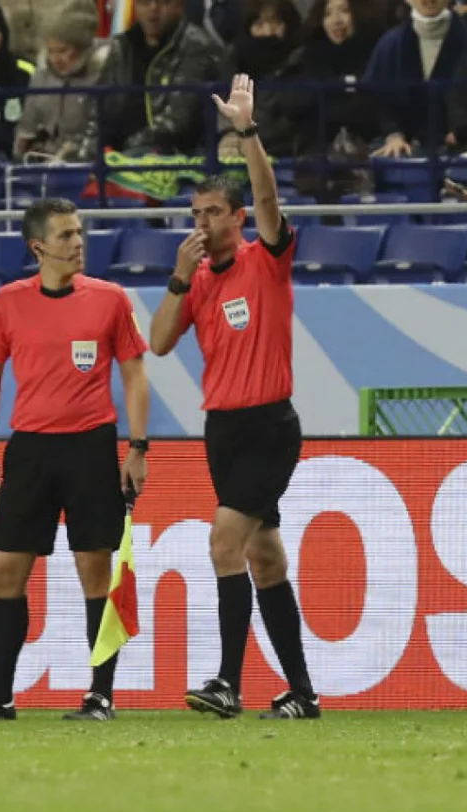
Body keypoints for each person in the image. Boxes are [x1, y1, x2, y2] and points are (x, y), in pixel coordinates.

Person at [0, 199, 151, 722]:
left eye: (80, 233)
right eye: (66, 236)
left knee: (94, 570)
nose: (78, 243)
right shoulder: (7, 304)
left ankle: (100, 696)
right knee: (6, 569)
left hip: (91, 447)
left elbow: (135, 375)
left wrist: (138, 447)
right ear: (38, 247)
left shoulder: (110, 299)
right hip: (28, 448)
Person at [148, 74, 319, 721]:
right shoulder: (196, 282)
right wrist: (176, 276)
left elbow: (271, 194)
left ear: (238, 219)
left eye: (213, 213)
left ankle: (226, 681)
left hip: (270, 426)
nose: (203, 224)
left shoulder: (264, 259)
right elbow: (160, 344)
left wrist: (247, 131)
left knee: (223, 542)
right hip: (222, 429)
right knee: (264, 556)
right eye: (195, 216)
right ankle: (301, 693)